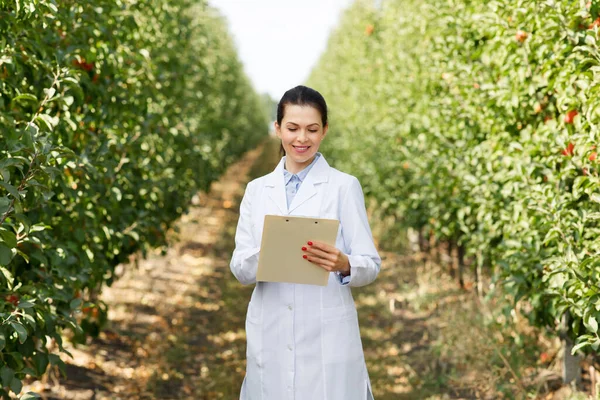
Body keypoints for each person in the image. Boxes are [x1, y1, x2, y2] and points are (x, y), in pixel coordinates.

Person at [230, 85, 381, 400]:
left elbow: (370, 263)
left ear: (325, 130)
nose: (302, 139)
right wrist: (270, 253)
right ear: (277, 129)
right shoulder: (257, 191)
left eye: (312, 129)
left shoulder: (343, 187)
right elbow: (240, 267)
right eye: (293, 128)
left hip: (326, 332)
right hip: (270, 325)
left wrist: (345, 264)